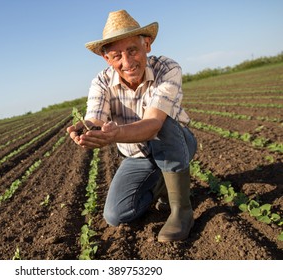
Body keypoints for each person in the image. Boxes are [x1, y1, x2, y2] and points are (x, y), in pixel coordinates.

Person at [67, 10, 197, 242]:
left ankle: (181, 211)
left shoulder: (167, 68)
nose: (127, 62)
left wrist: (116, 134)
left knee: (164, 124)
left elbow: (154, 124)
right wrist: (87, 129)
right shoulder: (101, 82)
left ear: (146, 45)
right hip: (138, 156)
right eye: (116, 56)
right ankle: (161, 184)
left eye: (132, 50)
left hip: (176, 144)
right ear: (107, 59)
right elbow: (95, 118)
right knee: (116, 215)